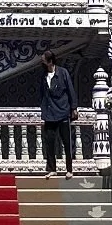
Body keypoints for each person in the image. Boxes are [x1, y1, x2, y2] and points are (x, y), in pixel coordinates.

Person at [40, 50, 78, 179]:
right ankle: (52, 169)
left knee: (67, 142)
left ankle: (69, 169)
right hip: (49, 113)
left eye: (44, 61)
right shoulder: (44, 75)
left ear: (50, 61)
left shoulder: (63, 73)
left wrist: (73, 108)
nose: (42, 63)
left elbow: (70, 90)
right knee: (50, 142)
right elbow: (42, 94)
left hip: (62, 111)